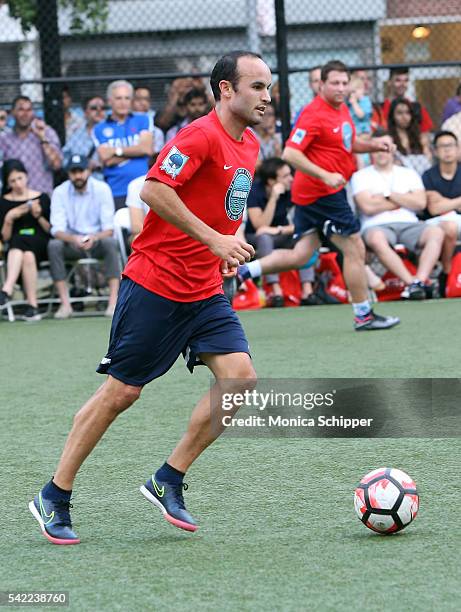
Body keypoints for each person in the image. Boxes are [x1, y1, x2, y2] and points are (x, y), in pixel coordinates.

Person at [29, 51, 270, 544]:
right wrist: (212, 239)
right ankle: (53, 494)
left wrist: (227, 247)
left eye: (268, 87)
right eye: (258, 87)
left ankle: (169, 478)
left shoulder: (251, 145)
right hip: (156, 285)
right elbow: (154, 190)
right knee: (122, 393)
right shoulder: (198, 135)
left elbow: (228, 211)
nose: (267, 96)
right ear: (226, 89)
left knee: (240, 380)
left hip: (205, 290)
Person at [239, 60, 400, 331]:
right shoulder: (314, 114)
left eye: (344, 83)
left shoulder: (342, 109)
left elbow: (347, 143)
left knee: (302, 254)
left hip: (314, 194)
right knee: (355, 248)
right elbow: (290, 153)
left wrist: (374, 144)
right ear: (321, 85)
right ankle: (364, 315)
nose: (340, 88)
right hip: (323, 194)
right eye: (334, 83)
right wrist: (325, 176)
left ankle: (246, 272)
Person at [351, 136, 443, 299]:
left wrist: (387, 195)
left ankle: (420, 281)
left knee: (436, 233)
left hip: (409, 224)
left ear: (393, 148)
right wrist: (404, 199)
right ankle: (411, 283)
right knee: (376, 239)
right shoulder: (360, 175)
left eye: (386, 147)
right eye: (378, 147)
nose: (382, 152)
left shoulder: (409, 173)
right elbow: (368, 207)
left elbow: (420, 203)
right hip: (377, 226)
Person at [48, 155, 120, 319]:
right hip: (71, 242)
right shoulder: (60, 192)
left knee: (110, 243)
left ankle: (113, 302)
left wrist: (94, 238)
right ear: (68, 174)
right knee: (54, 245)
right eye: (74, 172)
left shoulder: (102, 189)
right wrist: (73, 239)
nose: (78, 175)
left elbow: (109, 228)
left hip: (97, 241)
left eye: (81, 171)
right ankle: (65, 304)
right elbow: (56, 229)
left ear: (88, 171)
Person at [245, 157, 316, 306]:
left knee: (307, 236)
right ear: (271, 181)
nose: (291, 179)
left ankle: (307, 290)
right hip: (254, 238)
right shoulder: (254, 191)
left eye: (290, 174)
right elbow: (260, 225)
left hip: (280, 234)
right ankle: (275, 291)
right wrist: (274, 198)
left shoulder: (293, 189)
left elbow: (304, 223)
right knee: (265, 237)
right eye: (285, 176)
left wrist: (280, 229)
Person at [0, 159, 51, 321]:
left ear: (26, 176)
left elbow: (51, 230)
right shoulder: (3, 201)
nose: (18, 184)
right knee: (26, 253)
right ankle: (33, 306)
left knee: (21, 239)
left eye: (20, 178)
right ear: (7, 183)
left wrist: (39, 216)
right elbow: (5, 238)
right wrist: (9, 218)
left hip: (40, 244)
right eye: (13, 181)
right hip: (17, 251)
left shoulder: (41, 197)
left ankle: (7, 288)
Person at [93, 80, 153, 210]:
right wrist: (137, 152)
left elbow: (146, 149)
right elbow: (106, 159)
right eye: (118, 98)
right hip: (117, 190)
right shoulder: (99, 128)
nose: (123, 102)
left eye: (127, 98)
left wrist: (116, 151)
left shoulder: (143, 119)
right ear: (110, 101)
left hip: (143, 189)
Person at [422, 130, 461, 292]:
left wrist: (445, 202)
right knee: (449, 227)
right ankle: (447, 271)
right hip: (435, 222)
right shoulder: (428, 175)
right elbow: (434, 207)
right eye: (442, 146)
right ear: (435, 151)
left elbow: (440, 204)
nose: (447, 150)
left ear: (458, 149)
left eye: (450, 146)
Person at [0, 96, 62, 195]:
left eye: (29, 110)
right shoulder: (4, 139)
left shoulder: (47, 132)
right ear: (12, 113)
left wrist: (42, 138)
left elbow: (56, 164)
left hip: (41, 195)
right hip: (14, 197)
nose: (25, 114)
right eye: (21, 109)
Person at [381, 67, 433, 139]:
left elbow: (425, 133)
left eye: (406, 80)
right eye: (398, 80)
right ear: (389, 82)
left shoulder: (417, 108)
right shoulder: (380, 109)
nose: (402, 84)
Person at [62, 95, 106, 177]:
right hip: (82, 181)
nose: (99, 111)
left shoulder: (114, 132)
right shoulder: (76, 135)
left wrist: (99, 164)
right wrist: (80, 164)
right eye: (94, 108)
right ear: (85, 112)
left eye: (103, 108)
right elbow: (64, 160)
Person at [387, 97, 432, 175]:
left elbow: (428, 159)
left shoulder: (419, 137)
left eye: (407, 113)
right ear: (392, 116)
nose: (404, 117)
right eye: (399, 113)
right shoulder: (389, 138)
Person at [132, 85, 165, 156]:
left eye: (146, 99)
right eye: (138, 99)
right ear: (131, 101)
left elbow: (154, 157)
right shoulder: (121, 127)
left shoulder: (157, 132)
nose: (143, 103)